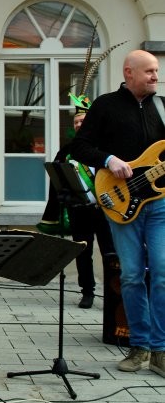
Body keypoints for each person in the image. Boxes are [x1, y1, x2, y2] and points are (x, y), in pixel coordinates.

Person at [70, 49, 165, 377]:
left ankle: (160, 350)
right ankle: (139, 346)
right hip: (122, 202)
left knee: (163, 272)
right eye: (149, 71)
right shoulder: (105, 106)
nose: (155, 76)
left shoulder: (163, 107)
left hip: (160, 203)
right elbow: (79, 147)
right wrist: (109, 160)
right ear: (129, 72)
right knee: (132, 275)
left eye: (156, 71)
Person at [39, 110, 115, 308]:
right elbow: (57, 179)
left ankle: (112, 293)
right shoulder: (67, 151)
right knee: (83, 252)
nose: (79, 124)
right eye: (76, 122)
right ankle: (87, 292)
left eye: (83, 121)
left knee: (110, 253)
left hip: (106, 209)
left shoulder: (105, 148)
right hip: (79, 209)